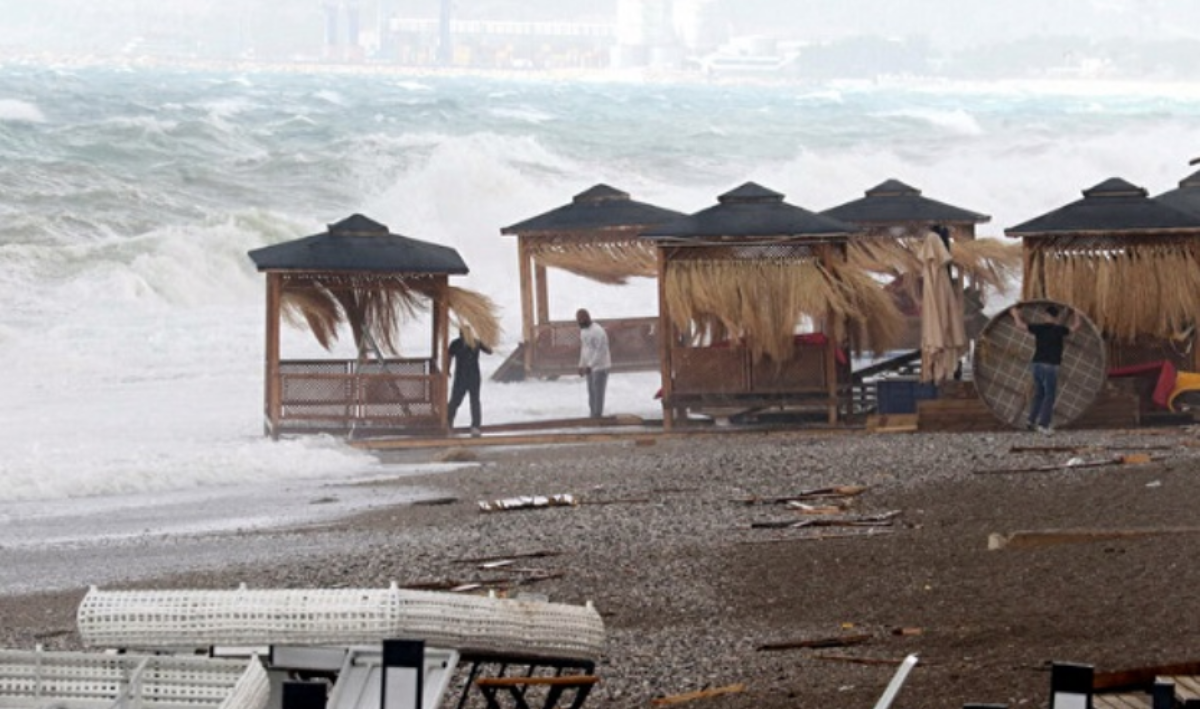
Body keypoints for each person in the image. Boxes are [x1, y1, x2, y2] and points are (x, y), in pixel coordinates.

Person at [1011, 303, 1082, 434]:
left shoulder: (1039, 328)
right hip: (1050, 366)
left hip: (1037, 364)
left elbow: (1020, 326)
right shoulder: (1059, 329)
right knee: (1049, 395)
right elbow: (1076, 327)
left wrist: (1015, 314)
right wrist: (1077, 313)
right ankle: (1043, 425)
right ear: (1056, 317)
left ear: (1046, 316)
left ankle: (1031, 421)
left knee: (1039, 394)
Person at [447, 325, 491, 436]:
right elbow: (449, 357)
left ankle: (475, 426)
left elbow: (489, 350)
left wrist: (486, 337)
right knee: (456, 401)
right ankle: (448, 423)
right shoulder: (456, 344)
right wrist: (447, 370)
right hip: (462, 377)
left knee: (474, 401)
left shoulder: (475, 342)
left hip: (473, 377)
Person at [576, 308, 611, 418]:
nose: (579, 322)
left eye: (581, 320)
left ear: (587, 318)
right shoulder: (583, 331)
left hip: (600, 366)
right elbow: (584, 348)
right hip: (589, 367)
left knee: (598, 393)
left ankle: (597, 415)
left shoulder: (598, 331)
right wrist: (581, 365)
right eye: (578, 320)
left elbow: (600, 350)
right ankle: (592, 414)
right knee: (591, 392)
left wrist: (591, 365)